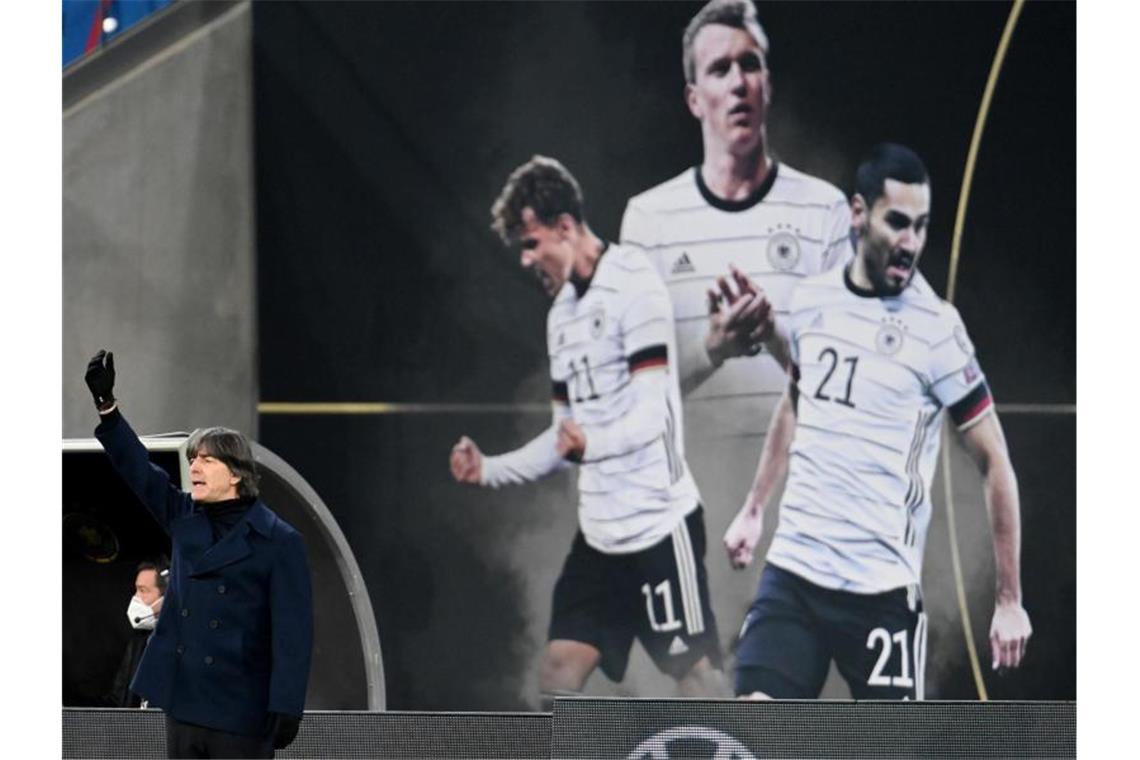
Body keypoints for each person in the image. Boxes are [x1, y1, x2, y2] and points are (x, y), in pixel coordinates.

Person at [727, 143, 1032, 699]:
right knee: (755, 725)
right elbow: (797, 401)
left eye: (921, 226)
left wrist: (1009, 600)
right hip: (793, 573)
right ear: (858, 214)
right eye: (898, 223)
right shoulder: (813, 300)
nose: (911, 243)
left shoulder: (937, 328)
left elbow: (994, 461)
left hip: (881, 593)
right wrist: (753, 509)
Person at [618, 0, 854, 650]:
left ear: (769, 84)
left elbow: (849, 388)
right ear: (695, 97)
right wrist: (713, 346)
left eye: (751, 64)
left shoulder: (824, 212)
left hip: (805, 526)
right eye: (720, 68)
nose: (739, 81)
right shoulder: (650, 221)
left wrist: (775, 333)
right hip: (688, 523)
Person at [450, 156, 727, 706]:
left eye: (532, 244)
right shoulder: (562, 317)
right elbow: (561, 439)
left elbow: (654, 415)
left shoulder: (634, 283)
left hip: (658, 528)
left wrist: (592, 444)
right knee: (557, 674)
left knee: (700, 683)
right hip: (600, 540)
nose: (528, 260)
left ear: (566, 227)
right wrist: (489, 470)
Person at [85, 350, 313, 758]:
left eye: (207, 459)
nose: (195, 467)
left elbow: (293, 633)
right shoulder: (184, 516)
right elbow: (139, 471)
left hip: (242, 709)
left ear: (238, 472)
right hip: (184, 703)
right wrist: (108, 408)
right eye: (193, 459)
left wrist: (287, 704)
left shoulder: (280, 541)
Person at [105, 559, 168, 708]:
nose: (136, 598)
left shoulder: (186, 644)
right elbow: (118, 699)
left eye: (143, 591)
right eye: (136, 590)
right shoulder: (138, 642)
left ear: (167, 598)